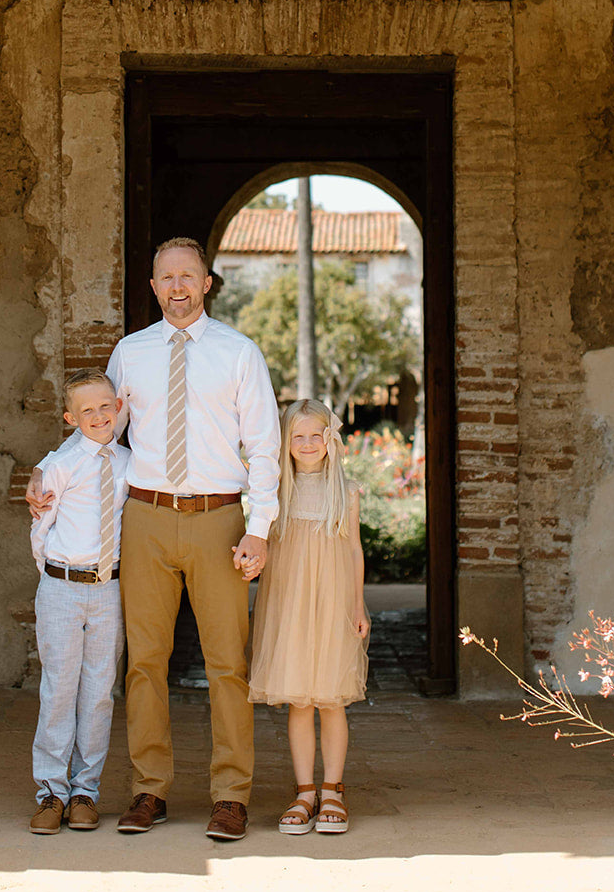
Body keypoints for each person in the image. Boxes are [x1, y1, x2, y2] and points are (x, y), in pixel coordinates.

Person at [27, 236, 280, 842]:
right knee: (144, 662)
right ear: (153, 285)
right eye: (166, 277)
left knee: (227, 664)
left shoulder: (239, 353)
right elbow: (99, 431)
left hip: (218, 519)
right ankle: (149, 789)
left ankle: (230, 795)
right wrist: (46, 470)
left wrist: (259, 529)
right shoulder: (130, 353)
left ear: (207, 282)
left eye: (188, 276)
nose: (177, 287)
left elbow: (266, 448)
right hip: (143, 519)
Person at [247, 398, 371, 835]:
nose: (306, 443)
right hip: (291, 603)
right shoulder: (276, 493)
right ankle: (304, 792)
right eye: (296, 436)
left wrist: (357, 605)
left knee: (331, 698)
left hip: (334, 600)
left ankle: (333, 789)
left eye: (315, 435)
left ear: (329, 440)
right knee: (299, 699)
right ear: (285, 442)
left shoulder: (347, 490)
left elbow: (354, 549)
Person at [28, 369, 130, 834]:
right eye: (86, 410)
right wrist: (55, 577)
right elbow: (40, 530)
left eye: (105, 406)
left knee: (99, 694)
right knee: (59, 691)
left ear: (119, 407)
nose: (98, 416)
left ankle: (86, 789)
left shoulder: (131, 463)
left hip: (108, 589)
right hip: (62, 587)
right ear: (71, 417)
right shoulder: (61, 464)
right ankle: (51, 791)